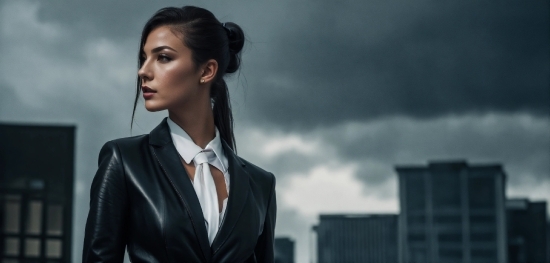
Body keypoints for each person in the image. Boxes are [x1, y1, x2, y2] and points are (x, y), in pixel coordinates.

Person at [82, 6, 276, 263]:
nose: (143, 71)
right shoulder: (125, 162)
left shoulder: (260, 184)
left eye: (162, 57)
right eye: (144, 58)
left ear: (207, 71)